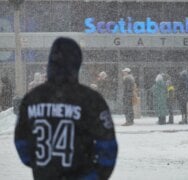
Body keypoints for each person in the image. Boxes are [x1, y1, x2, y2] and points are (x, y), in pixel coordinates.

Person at [14, 37, 118, 180]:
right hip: (82, 174)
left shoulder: (32, 98)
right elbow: (108, 145)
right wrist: (97, 175)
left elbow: (21, 141)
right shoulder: (91, 99)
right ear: (77, 62)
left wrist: (41, 164)